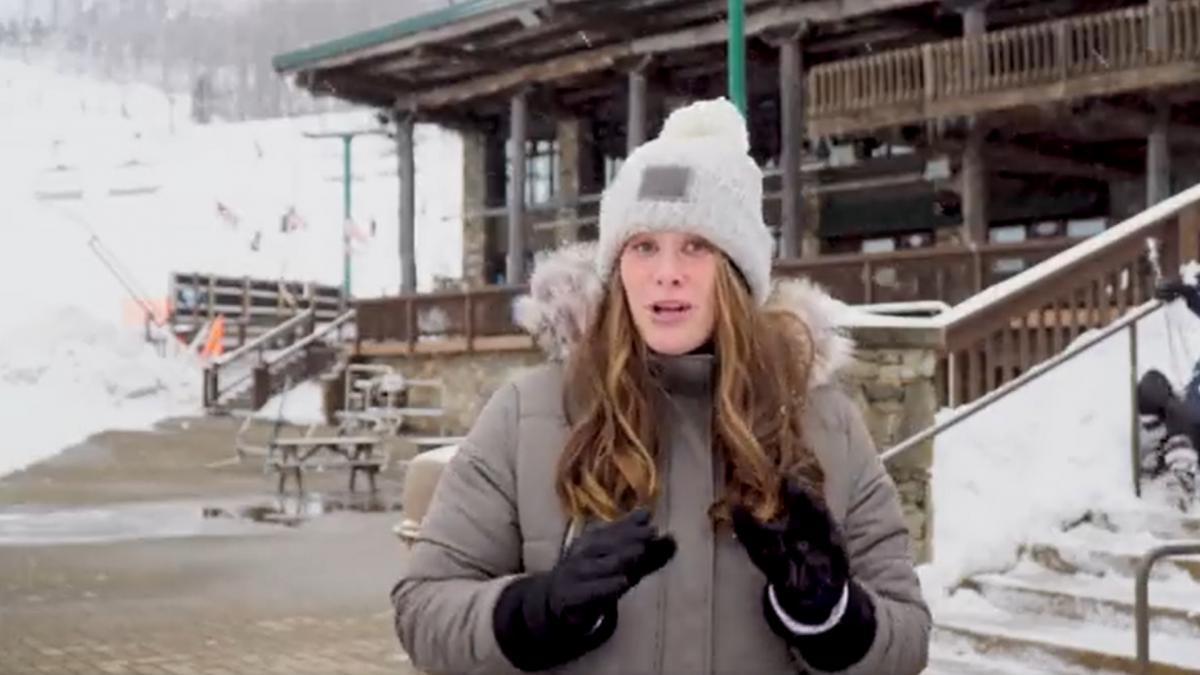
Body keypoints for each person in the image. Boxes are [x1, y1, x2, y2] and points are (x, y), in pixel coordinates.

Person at [390, 98, 930, 675]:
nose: (666, 272)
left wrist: (831, 617)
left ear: (737, 270)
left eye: (696, 246)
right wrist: (535, 613)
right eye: (644, 246)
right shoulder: (528, 412)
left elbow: (909, 640)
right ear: (617, 265)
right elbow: (423, 609)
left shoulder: (826, 423)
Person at [1136, 278, 1200, 507]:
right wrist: (1188, 293)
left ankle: (1181, 480)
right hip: (1189, 407)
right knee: (1151, 385)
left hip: (1193, 420)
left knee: (1182, 415)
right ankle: (1155, 451)